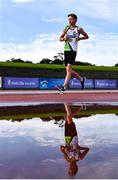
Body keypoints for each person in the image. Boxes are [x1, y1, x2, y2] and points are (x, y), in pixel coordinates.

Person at [57, 13, 89, 92]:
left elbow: (87, 36)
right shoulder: (66, 28)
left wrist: (80, 38)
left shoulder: (78, 29)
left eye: (71, 19)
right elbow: (60, 38)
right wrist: (64, 38)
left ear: (75, 20)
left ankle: (63, 87)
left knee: (68, 70)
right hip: (66, 50)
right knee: (69, 70)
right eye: (68, 19)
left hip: (73, 51)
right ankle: (81, 79)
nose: (69, 21)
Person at [60, 103, 89, 176]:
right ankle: (65, 102)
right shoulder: (80, 157)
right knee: (69, 118)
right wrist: (79, 148)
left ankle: (81, 107)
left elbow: (61, 148)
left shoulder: (67, 159)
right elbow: (87, 149)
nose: (71, 167)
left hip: (67, 138)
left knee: (68, 118)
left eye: (70, 168)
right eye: (73, 168)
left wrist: (65, 148)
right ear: (76, 167)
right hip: (74, 137)